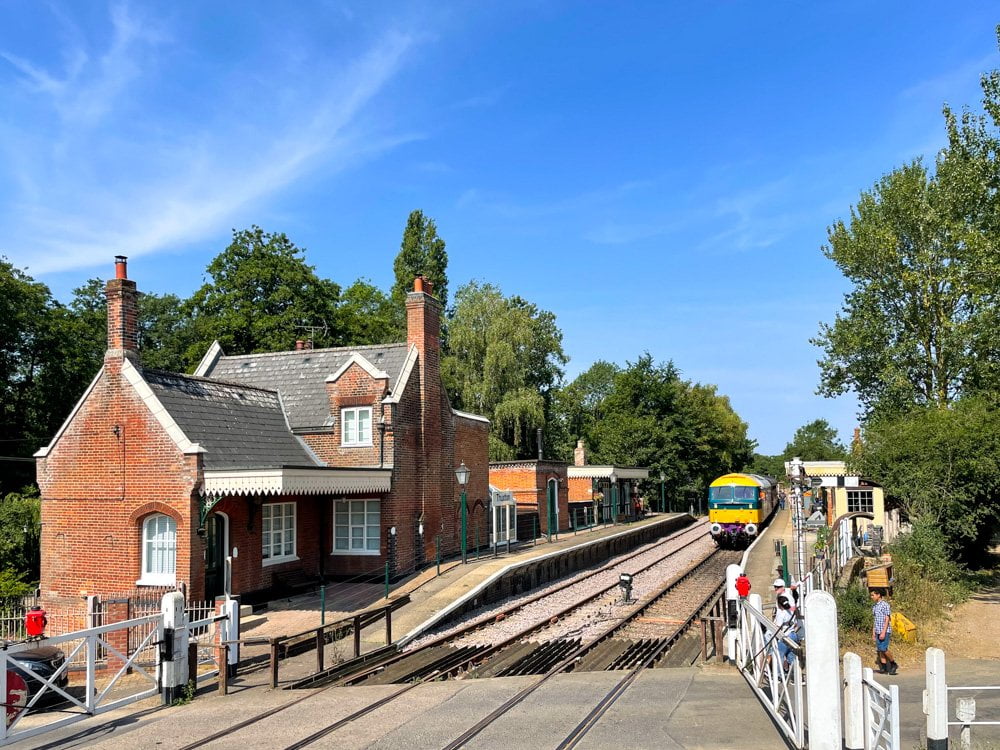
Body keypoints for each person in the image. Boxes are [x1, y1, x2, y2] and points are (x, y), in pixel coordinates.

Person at [871, 588, 898, 675]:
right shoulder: (875, 606)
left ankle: (893, 663)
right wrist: (873, 632)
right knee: (880, 649)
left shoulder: (885, 605)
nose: (872, 597)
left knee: (884, 648)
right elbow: (875, 620)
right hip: (877, 630)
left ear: (878, 595)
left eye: (873, 595)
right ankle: (884, 666)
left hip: (884, 630)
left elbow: (887, 619)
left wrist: (883, 631)